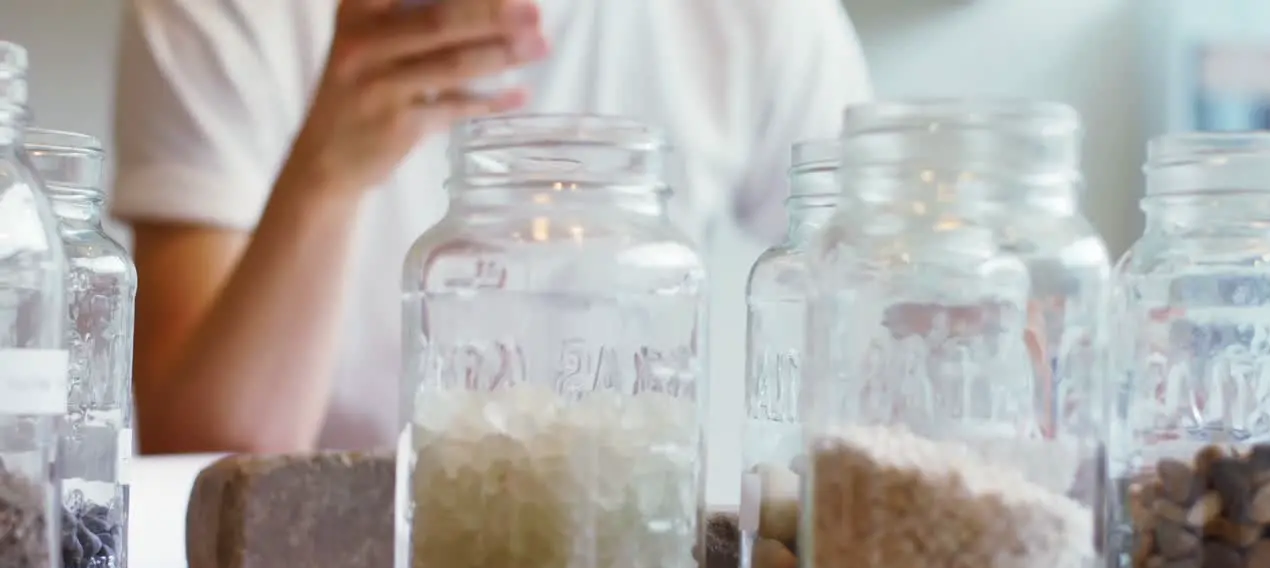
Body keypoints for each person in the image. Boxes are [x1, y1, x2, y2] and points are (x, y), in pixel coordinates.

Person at [111, 0, 873, 455]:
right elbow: (200, 464)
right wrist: (326, 173)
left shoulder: (758, 21)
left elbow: (878, 316)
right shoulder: (228, 17)